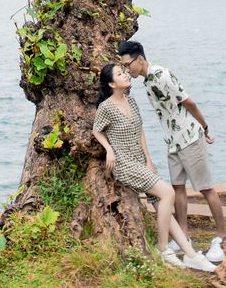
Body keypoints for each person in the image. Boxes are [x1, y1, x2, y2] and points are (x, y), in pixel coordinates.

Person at [92, 63, 216, 271]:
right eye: (120, 74)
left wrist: (148, 160)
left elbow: (140, 131)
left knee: (161, 203)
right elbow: (97, 130)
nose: (125, 75)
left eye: (124, 72)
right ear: (112, 83)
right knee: (168, 194)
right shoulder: (106, 107)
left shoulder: (131, 101)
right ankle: (162, 247)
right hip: (124, 164)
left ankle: (191, 255)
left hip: (140, 161)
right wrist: (109, 150)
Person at [117, 40, 225, 264]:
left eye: (128, 65)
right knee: (177, 189)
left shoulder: (161, 75)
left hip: (189, 138)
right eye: (123, 67)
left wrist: (204, 127)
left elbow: (189, 102)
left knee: (205, 188)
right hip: (173, 142)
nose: (127, 70)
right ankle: (184, 236)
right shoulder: (147, 82)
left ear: (140, 60)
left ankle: (221, 238)